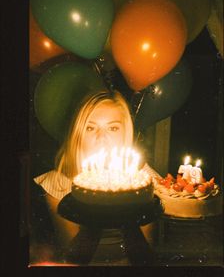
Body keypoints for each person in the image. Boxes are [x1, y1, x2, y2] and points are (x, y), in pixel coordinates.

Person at [33, 89, 161, 264]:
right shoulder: (57, 183)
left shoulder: (146, 181)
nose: (102, 137)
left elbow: (145, 257)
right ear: (78, 134)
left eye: (113, 128)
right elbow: (74, 259)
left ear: (126, 133)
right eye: (91, 128)